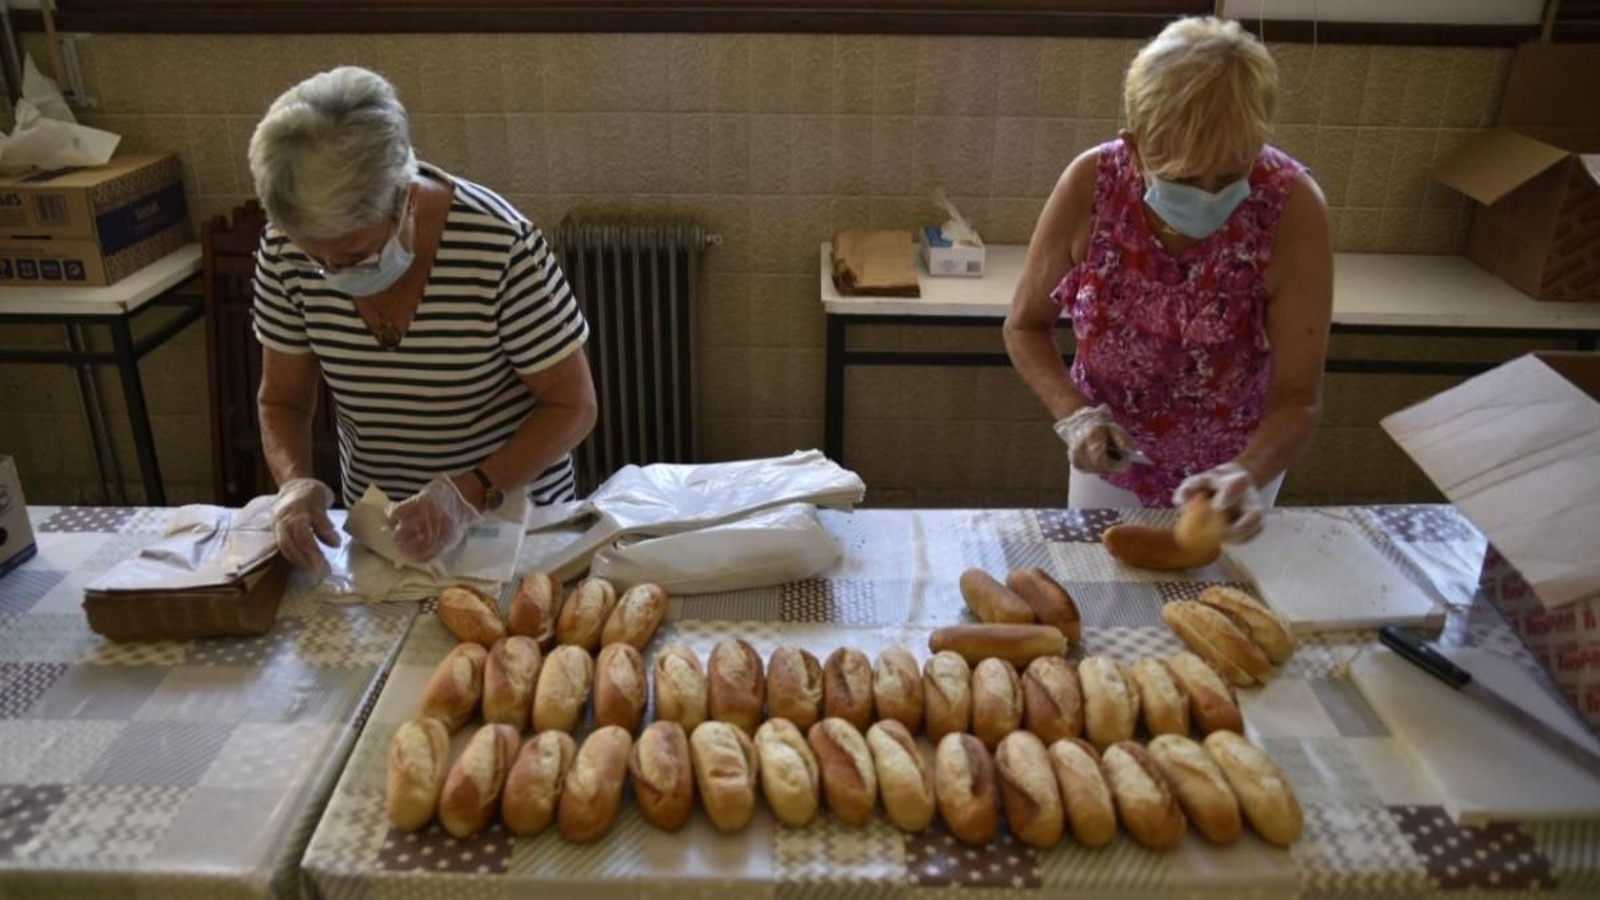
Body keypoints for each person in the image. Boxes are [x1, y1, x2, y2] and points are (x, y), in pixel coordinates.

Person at [249, 66, 597, 572]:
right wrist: (293, 484)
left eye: (355, 255)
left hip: (511, 521)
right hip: (381, 533)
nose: (333, 273)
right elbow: (282, 398)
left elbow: (573, 406)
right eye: (315, 258)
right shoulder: (283, 248)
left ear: (406, 199)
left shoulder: (499, 245)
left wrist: (465, 494)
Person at [1004, 16, 1332, 541]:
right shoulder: (1092, 184)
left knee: (1223, 583)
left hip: (1237, 468)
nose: (1207, 192)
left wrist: (1246, 472)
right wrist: (1077, 417)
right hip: (1113, 458)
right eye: (1182, 176)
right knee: (1101, 578)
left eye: (1231, 174)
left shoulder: (1292, 207)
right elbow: (1024, 326)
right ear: (1134, 148)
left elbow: (1298, 395)